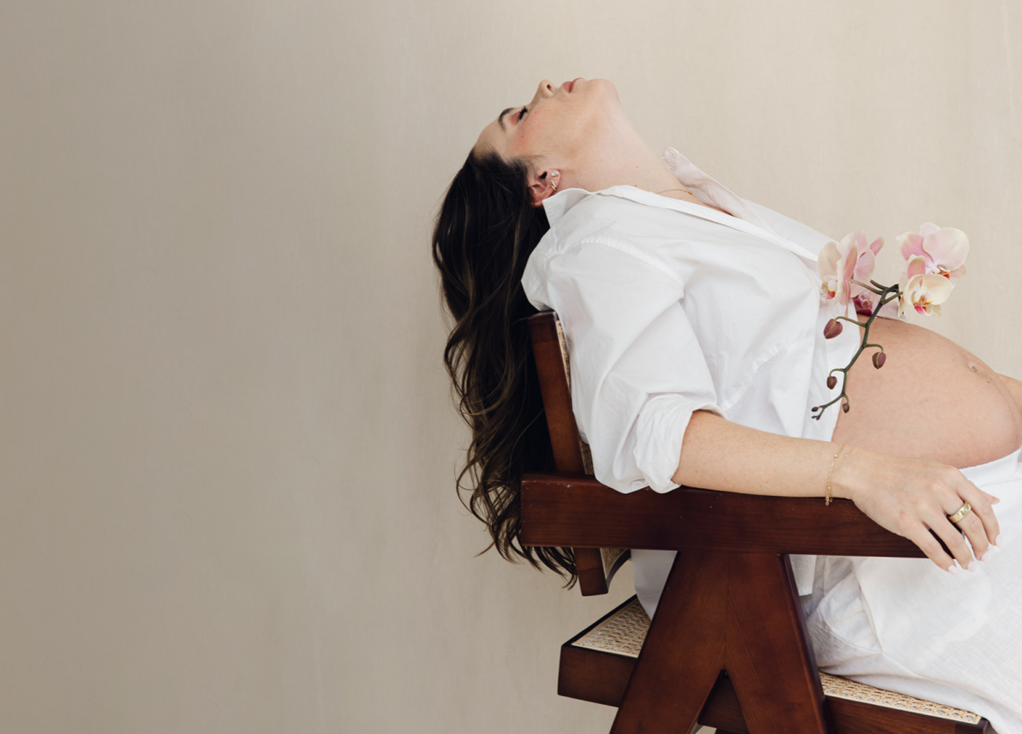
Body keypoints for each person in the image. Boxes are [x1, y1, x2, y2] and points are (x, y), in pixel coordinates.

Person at [432, 78, 1022, 730]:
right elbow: (655, 430)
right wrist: (865, 472)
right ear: (542, 180)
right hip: (910, 563)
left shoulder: (681, 212)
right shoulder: (597, 245)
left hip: (972, 510)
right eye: (518, 114)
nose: (541, 88)